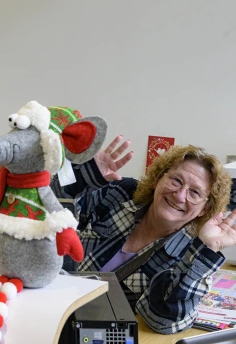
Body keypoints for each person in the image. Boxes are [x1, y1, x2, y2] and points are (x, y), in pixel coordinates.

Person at [52, 136, 235, 334]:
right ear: (159, 178)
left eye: (195, 193)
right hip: (46, 302)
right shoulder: (120, 193)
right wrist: (83, 178)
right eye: (176, 180)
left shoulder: (190, 252)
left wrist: (208, 248)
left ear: (204, 209)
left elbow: (161, 321)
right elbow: (46, 212)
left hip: (98, 334)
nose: (180, 195)